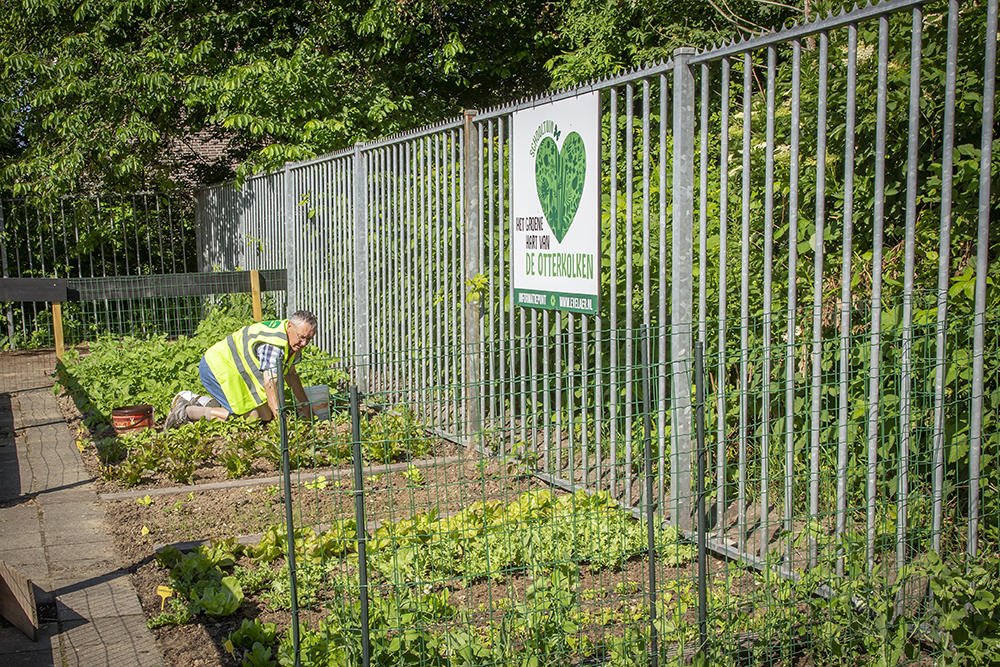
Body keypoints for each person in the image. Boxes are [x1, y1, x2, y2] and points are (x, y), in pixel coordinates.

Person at [164, 311, 318, 428]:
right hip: (217, 367)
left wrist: (306, 406)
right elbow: (271, 384)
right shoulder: (274, 345)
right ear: (290, 326)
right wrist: (282, 424)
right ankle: (187, 411)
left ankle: (200, 401)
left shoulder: (291, 340)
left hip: (237, 371)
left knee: (265, 416)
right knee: (253, 419)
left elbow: (291, 373)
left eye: (309, 339)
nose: (304, 343)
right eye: (301, 337)